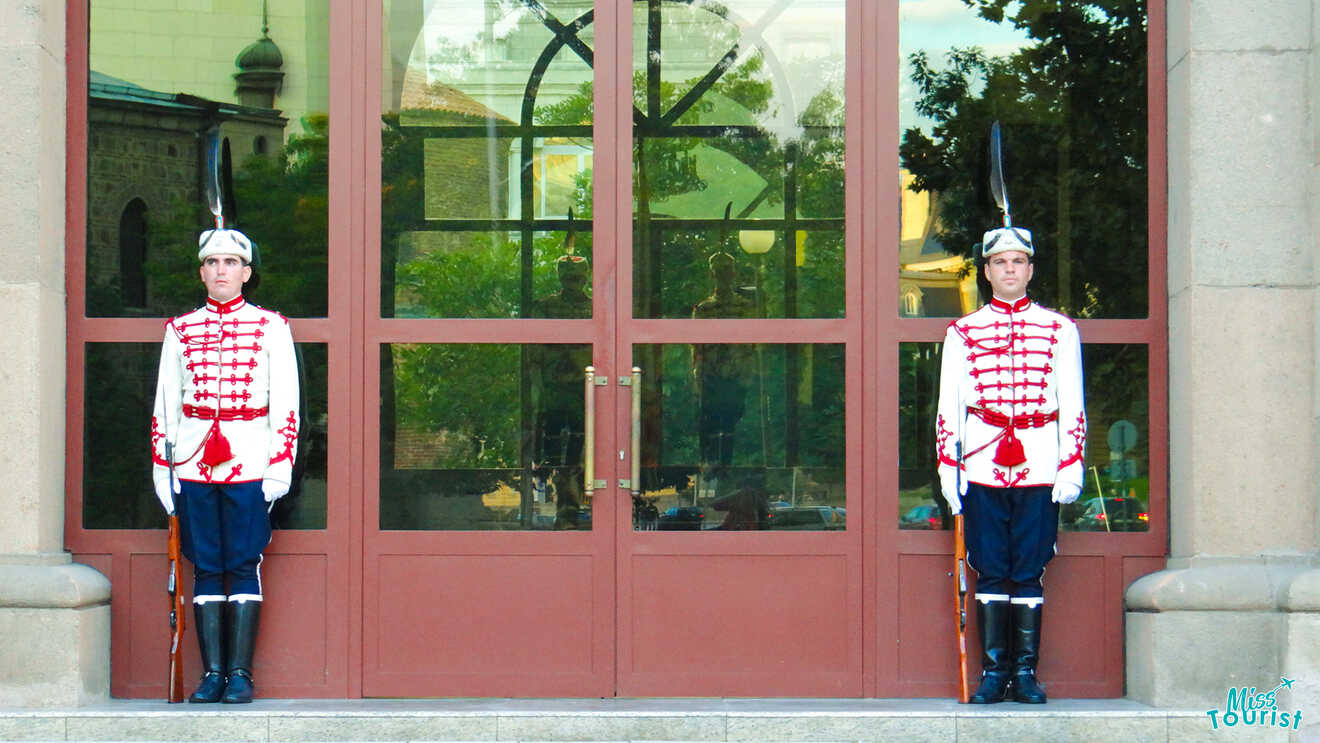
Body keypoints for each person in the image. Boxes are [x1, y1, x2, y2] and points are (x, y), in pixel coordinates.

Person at [935, 226, 1086, 704]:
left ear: (1030, 269)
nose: (1009, 270)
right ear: (987, 271)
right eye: (1000, 263)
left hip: (1039, 463)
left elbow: (1073, 402)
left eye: (1018, 262)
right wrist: (948, 466)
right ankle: (992, 674)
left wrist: (1071, 464)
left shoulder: (1061, 329)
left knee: (1029, 569)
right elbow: (950, 405)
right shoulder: (962, 332)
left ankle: (1024, 675)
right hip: (981, 463)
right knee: (990, 568)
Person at [150, 228, 299, 704]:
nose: (221, 270)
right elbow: (165, 404)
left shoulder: (271, 326)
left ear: (246, 273)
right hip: (193, 462)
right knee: (206, 564)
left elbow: (287, 402)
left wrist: (280, 465)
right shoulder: (179, 329)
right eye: (213, 263)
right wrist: (163, 468)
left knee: (243, 561)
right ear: (201, 272)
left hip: (251, 459)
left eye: (231, 263)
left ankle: (241, 674)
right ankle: (212, 673)